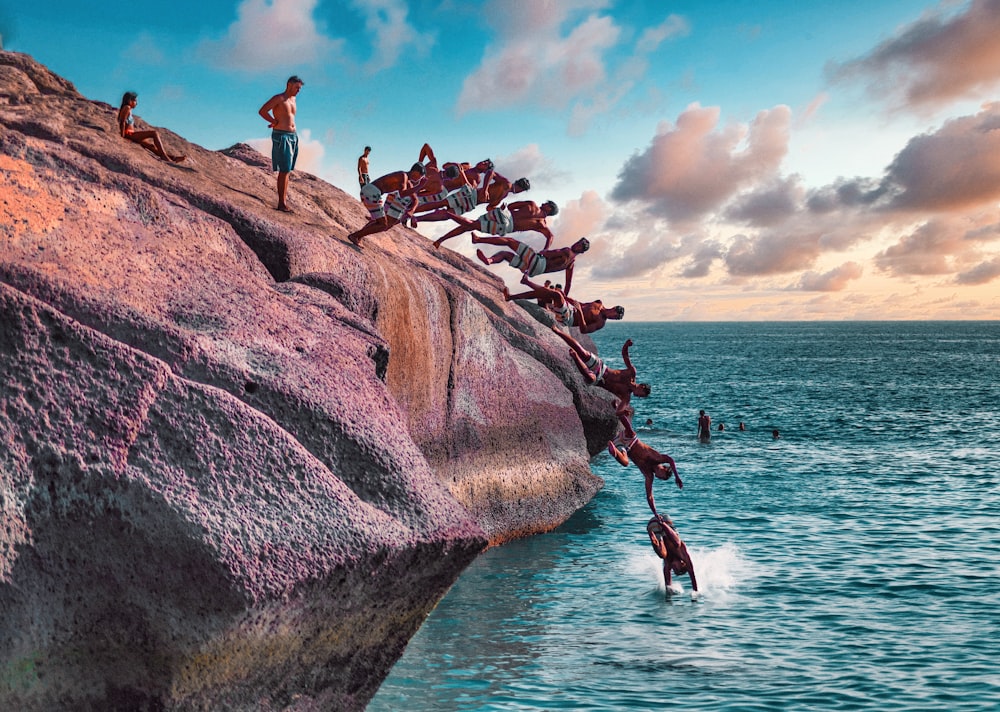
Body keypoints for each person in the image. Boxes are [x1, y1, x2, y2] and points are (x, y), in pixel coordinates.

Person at [550, 327, 650, 416]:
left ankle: (575, 357)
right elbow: (625, 355)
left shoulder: (626, 397)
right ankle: (558, 331)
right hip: (601, 368)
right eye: (642, 394)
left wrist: (623, 412)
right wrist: (627, 345)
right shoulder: (632, 373)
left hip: (598, 381)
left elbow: (618, 412)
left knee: (591, 378)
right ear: (642, 387)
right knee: (582, 352)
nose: (639, 396)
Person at [607, 413, 682, 520]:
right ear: (664, 469)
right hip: (630, 439)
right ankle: (619, 412)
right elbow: (670, 459)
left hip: (623, 446)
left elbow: (650, 496)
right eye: (662, 477)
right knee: (631, 431)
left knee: (626, 463)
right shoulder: (658, 458)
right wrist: (677, 477)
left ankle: (614, 451)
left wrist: (655, 513)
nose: (659, 478)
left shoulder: (649, 475)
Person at [473, 235, 589, 296]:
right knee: (505, 255)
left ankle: (478, 239)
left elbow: (549, 253)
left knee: (509, 241)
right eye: (578, 242)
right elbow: (568, 283)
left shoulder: (567, 251)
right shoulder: (571, 264)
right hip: (535, 271)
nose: (576, 244)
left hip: (537, 261)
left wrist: (544, 251)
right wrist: (564, 297)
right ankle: (489, 260)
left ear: (581, 251)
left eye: (579, 245)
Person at [506, 275, 625, 334]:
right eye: (615, 315)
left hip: (569, 319)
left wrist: (579, 312)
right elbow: (581, 304)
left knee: (556, 296)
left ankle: (526, 283)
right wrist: (566, 297)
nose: (613, 318)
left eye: (616, 319)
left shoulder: (600, 322)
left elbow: (583, 330)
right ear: (614, 308)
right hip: (570, 308)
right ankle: (512, 296)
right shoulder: (599, 303)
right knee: (546, 295)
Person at [348, 163, 426, 246]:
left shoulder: (407, 181)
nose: (419, 179)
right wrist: (420, 186)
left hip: (373, 192)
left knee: (380, 222)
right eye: (420, 176)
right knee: (383, 225)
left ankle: (358, 236)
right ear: (415, 172)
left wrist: (412, 209)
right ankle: (355, 236)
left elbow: (414, 197)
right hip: (372, 192)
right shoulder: (403, 175)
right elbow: (402, 193)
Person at [433, 199, 558, 250]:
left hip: (503, 215)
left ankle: (442, 237)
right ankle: (448, 216)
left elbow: (510, 206)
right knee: (472, 225)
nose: (544, 203)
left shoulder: (531, 204)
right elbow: (550, 237)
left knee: (471, 225)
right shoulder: (542, 224)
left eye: (547, 203)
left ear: (549, 207)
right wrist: (545, 250)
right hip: (507, 226)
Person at [258, 76, 304, 212]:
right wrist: (274, 121)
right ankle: (281, 203)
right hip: (281, 135)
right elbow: (262, 111)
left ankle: (283, 201)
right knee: (284, 170)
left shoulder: (293, 99)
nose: (298, 91)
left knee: (288, 170)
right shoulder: (279, 98)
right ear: (289, 84)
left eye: (300, 88)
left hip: (293, 136)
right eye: (297, 87)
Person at [117, 92, 186, 164]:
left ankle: (173, 158)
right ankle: (164, 156)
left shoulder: (128, 109)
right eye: (135, 101)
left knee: (151, 146)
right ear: (129, 101)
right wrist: (123, 137)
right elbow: (122, 122)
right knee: (154, 133)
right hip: (129, 134)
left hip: (132, 134)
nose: (136, 103)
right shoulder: (127, 107)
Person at [647, 516, 698, 594]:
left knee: (662, 555)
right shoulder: (683, 555)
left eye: (674, 571)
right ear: (682, 564)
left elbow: (668, 584)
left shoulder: (667, 563)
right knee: (678, 544)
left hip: (653, 527)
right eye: (677, 569)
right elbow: (692, 574)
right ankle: (662, 524)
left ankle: (654, 540)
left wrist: (669, 598)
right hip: (665, 521)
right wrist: (695, 593)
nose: (674, 569)